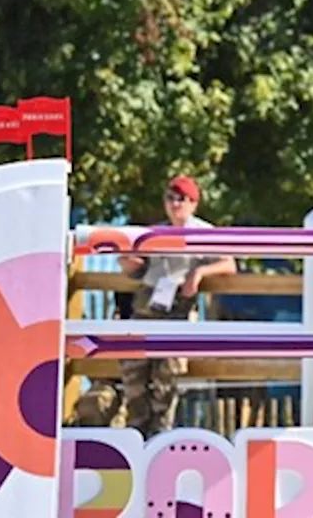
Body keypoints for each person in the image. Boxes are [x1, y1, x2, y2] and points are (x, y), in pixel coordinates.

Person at [116, 175, 236, 439]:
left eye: (180, 199)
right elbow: (138, 270)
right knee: (133, 373)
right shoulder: (154, 233)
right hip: (147, 306)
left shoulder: (203, 233)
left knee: (166, 380)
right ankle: (136, 435)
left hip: (178, 310)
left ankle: (160, 437)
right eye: (170, 198)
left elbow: (229, 264)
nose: (174, 204)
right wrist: (127, 261)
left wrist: (200, 273)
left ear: (193, 203)